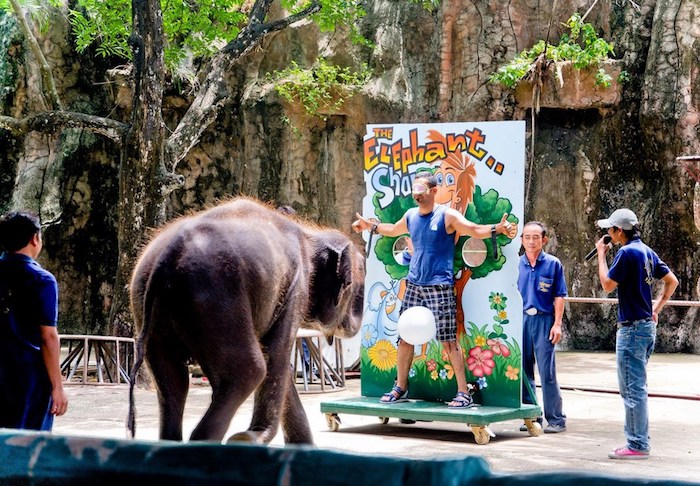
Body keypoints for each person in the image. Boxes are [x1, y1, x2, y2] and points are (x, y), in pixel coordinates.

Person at [352, 171, 517, 407]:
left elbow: (473, 229)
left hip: (439, 285)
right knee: (405, 338)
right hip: (414, 284)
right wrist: (372, 226)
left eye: (420, 191)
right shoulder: (410, 216)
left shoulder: (447, 215)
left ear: (432, 191)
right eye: (414, 192)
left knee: (448, 340)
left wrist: (497, 229)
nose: (416, 196)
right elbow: (392, 229)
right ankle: (400, 387)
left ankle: (463, 393)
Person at [594, 208, 678, 460]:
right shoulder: (647, 252)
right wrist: (657, 306)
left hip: (631, 329)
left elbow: (607, 284)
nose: (607, 233)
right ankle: (638, 441)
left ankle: (637, 444)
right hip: (646, 326)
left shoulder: (626, 252)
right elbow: (671, 281)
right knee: (637, 386)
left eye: (610, 229)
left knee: (632, 389)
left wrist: (601, 255)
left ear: (619, 231)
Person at [0, 211, 68, 430]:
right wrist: (57, 387)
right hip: (28, 379)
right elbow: (48, 337)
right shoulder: (42, 280)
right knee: (28, 446)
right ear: (35, 238)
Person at [517, 221, 567, 433]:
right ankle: (530, 416)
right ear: (521, 240)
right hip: (521, 320)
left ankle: (556, 419)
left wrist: (557, 324)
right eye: (527, 237)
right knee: (522, 370)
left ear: (544, 240)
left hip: (544, 320)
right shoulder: (515, 264)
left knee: (547, 372)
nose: (531, 241)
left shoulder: (553, 264)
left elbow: (559, 296)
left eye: (535, 237)